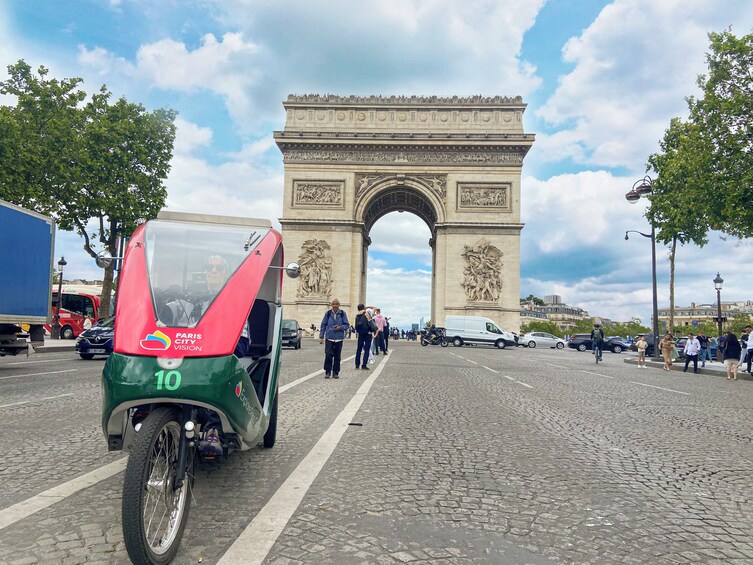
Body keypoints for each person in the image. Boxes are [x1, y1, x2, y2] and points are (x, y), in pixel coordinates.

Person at [199, 254, 250, 458]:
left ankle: (214, 430)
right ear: (203, 271)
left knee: (216, 373)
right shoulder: (190, 298)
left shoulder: (237, 299)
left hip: (226, 348)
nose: (213, 271)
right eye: (209, 267)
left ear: (226, 273)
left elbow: (243, 340)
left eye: (218, 267)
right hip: (195, 349)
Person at [319, 298, 349, 378]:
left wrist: (340, 327)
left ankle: (336, 372)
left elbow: (346, 325)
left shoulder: (343, 313)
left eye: (336, 304)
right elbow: (323, 324)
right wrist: (321, 336)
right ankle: (327, 371)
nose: (335, 305)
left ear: (339, 305)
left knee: (337, 356)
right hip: (329, 337)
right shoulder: (328, 313)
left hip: (339, 338)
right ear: (331, 305)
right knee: (328, 355)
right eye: (334, 304)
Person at [354, 303, 373, 370]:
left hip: (360, 334)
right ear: (364, 308)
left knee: (358, 350)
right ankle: (364, 365)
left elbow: (356, 326)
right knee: (367, 350)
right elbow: (371, 323)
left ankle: (357, 365)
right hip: (368, 334)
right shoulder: (367, 313)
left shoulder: (357, 316)